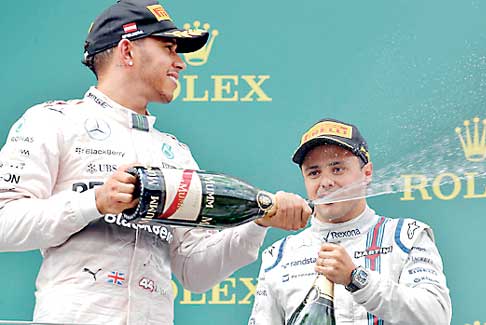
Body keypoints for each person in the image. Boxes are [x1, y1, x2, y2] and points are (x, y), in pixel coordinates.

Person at [0, 1, 311, 324]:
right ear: (127, 51)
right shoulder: (54, 122)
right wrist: (95, 202)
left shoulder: (175, 153)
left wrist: (257, 223)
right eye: (169, 48)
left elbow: (194, 271)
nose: (180, 63)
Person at [247, 118, 452, 324]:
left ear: (367, 174)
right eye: (314, 172)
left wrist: (356, 279)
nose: (326, 182)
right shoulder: (279, 256)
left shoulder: (406, 236)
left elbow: (436, 316)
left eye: (337, 169)